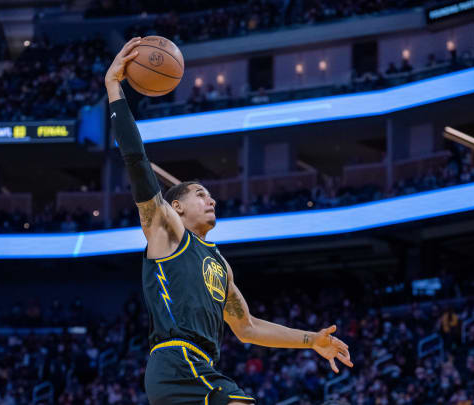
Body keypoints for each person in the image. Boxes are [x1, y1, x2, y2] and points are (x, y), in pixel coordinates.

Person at [104, 37, 353, 405]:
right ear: (178, 208)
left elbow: (248, 328)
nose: (211, 199)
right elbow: (137, 161)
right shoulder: (166, 231)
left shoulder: (219, 265)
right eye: (200, 194)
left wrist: (311, 339)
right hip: (177, 362)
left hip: (200, 365)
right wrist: (114, 87)